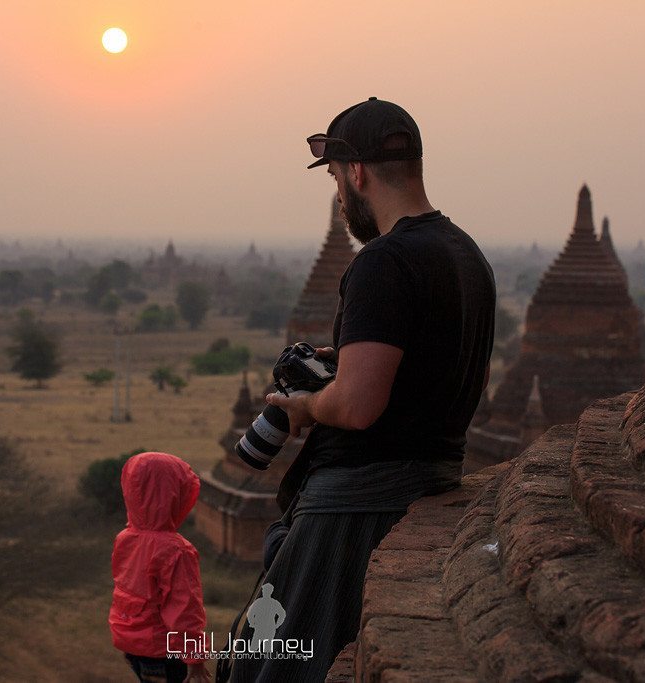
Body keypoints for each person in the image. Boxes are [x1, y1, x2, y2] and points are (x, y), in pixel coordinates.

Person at [230, 97, 496, 682]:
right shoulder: (467, 255)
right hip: (431, 481)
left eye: (334, 179)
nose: (338, 195)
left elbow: (355, 405)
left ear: (357, 173)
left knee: (271, 669)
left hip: (356, 507)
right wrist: (346, 361)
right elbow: (434, 373)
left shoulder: (383, 261)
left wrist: (304, 406)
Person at [109, 452, 211, 683]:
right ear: (176, 494)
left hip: (132, 643)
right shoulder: (176, 550)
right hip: (163, 651)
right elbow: (185, 609)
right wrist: (194, 658)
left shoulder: (125, 538)